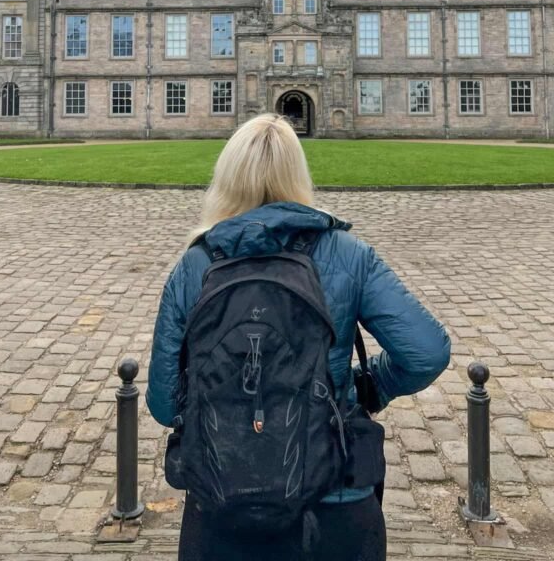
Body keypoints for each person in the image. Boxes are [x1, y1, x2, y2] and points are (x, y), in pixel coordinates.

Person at [147, 113, 451, 561]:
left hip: (222, 490)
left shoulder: (195, 265)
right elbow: (426, 352)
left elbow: (164, 403)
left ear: (226, 177)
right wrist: (366, 386)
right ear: (298, 175)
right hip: (334, 493)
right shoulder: (347, 253)